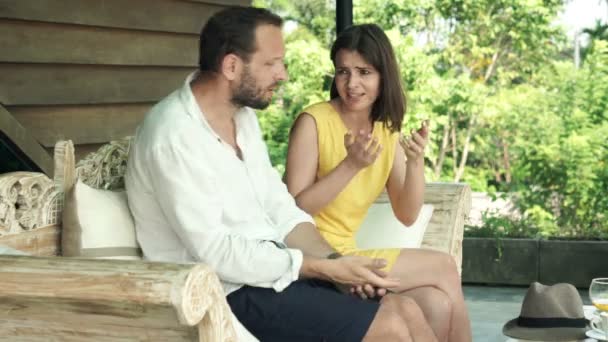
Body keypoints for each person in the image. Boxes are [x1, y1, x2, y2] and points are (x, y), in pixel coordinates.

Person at [125, 6, 437, 342]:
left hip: (274, 274)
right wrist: (319, 267)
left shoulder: (242, 119)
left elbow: (280, 207)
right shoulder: (173, 136)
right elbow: (215, 252)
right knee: (389, 327)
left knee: (406, 309)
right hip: (225, 292)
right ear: (231, 66)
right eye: (272, 63)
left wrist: (337, 262)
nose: (283, 74)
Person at [285, 23, 472, 342]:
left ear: (384, 76)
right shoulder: (313, 122)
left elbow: (407, 213)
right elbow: (292, 210)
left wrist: (415, 163)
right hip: (314, 257)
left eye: (364, 72)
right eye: (343, 72)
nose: (351, 83)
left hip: (351, 250)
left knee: (437, 304)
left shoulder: (386, 130)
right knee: (444, 267)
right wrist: (350, 165)